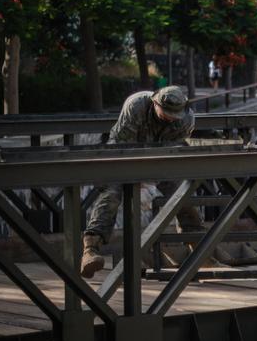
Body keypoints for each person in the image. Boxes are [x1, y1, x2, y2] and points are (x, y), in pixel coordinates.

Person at [80, 86, 203, 278]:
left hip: (161, 159)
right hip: (122, 156)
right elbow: (123, 146)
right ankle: (90, 250)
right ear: (155, 103)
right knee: (110, 195)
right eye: (167, 112)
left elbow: (176, 152)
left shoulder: (186, 119)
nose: (171, 117)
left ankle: (199, 247)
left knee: (183, 194)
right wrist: (139, 175)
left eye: (175, 114)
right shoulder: (136, 105)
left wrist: (157, 173)